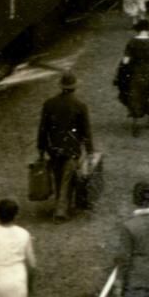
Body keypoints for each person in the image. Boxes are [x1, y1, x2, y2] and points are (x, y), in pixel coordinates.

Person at [38, 72, 93, 218]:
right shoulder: (80, 106)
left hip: (54, 147)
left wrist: (41, 148)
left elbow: (43, 128)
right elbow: (85, 130)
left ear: (61, 87)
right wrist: (90, 149)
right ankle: (61, 212)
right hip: (71, 148)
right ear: (74, 88)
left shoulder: (49, 103)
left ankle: (60, 204)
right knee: (68, 179)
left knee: (58, 176)